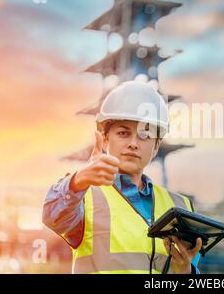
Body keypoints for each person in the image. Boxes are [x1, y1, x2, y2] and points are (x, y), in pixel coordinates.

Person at [42, 81, 202, 274]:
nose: (133, 143)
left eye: (144, 135)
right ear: (106, 139)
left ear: (157, 146)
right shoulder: (84, 197)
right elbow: (52, 216)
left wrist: (185, 271)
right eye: (123, 133)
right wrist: (79, 180)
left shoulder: (181, 208)